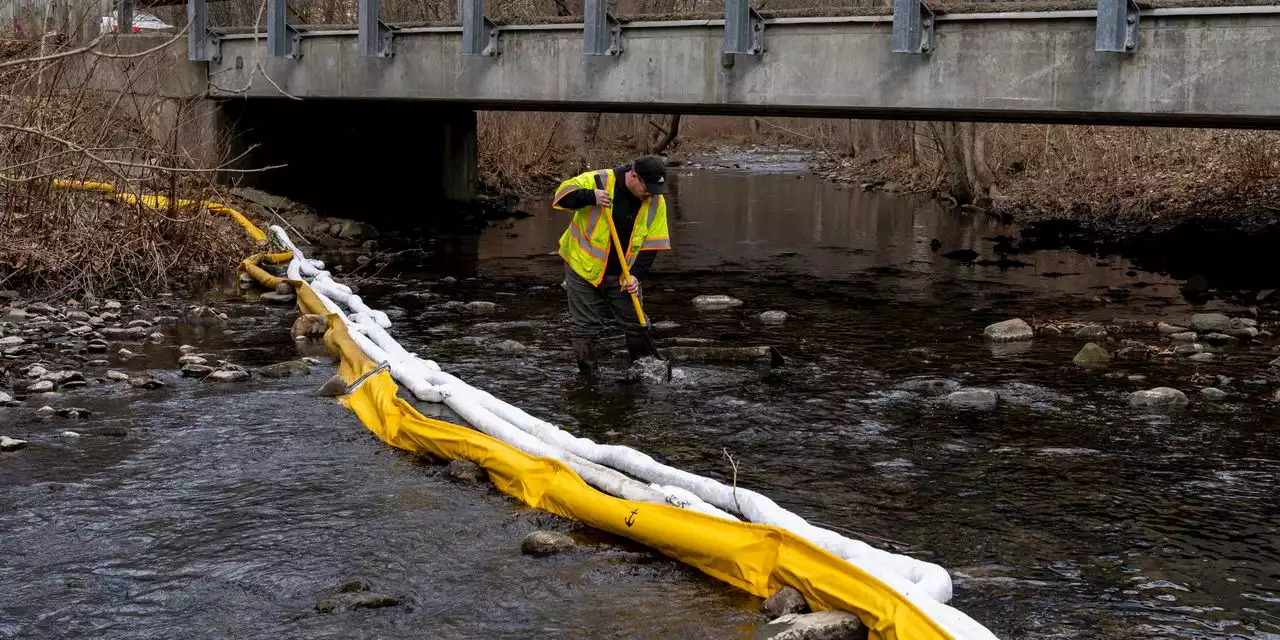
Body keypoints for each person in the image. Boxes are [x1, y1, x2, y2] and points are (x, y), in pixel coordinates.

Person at [552, 154, 672, 375]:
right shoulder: (597, 180)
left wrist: (636, 276)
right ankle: (588, 379)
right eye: (649, 188)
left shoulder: (655, 200)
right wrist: (589, 197)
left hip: (623, 276)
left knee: (637, 325)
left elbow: (651, 245)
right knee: (585, 328)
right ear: (634, 176)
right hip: (583, 270)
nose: (651, 194)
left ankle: (643, 373)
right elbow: (560, 197)